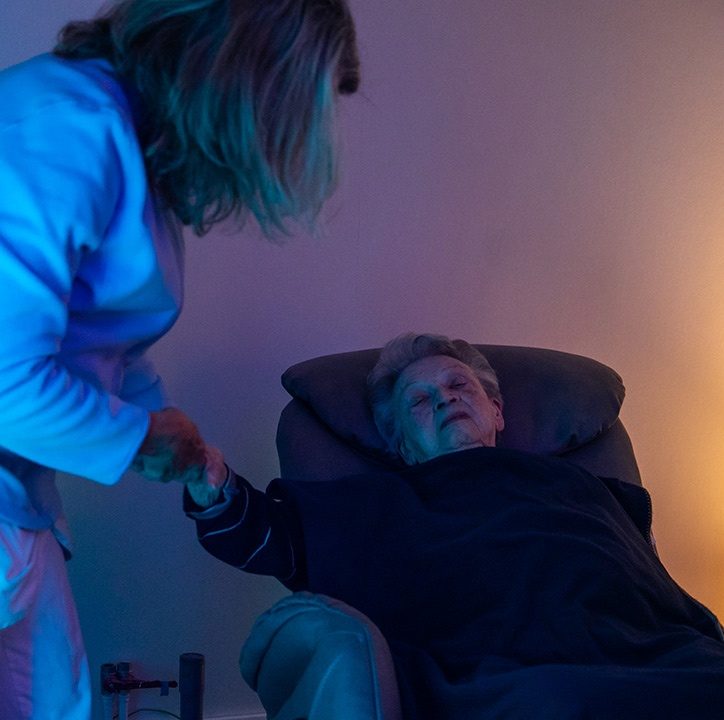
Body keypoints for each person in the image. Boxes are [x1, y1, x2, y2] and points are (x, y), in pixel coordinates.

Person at [0, 1, 359, 717]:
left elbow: (97, 343)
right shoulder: (68, 126)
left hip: (20, 501)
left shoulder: (133, 153)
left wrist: (165, 425)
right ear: (239, 74)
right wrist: (144, 439)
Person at [185, 332, 724, 720]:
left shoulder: (592, 488)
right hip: (498, 670)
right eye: (421, 401)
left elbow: (651, 585)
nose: (446, 398)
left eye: (459, 384)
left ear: (497, 411)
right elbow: (267, 534)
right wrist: (212, 484)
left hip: (651, 653)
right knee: (558, 701)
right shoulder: (380, 500)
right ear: (402, 444)